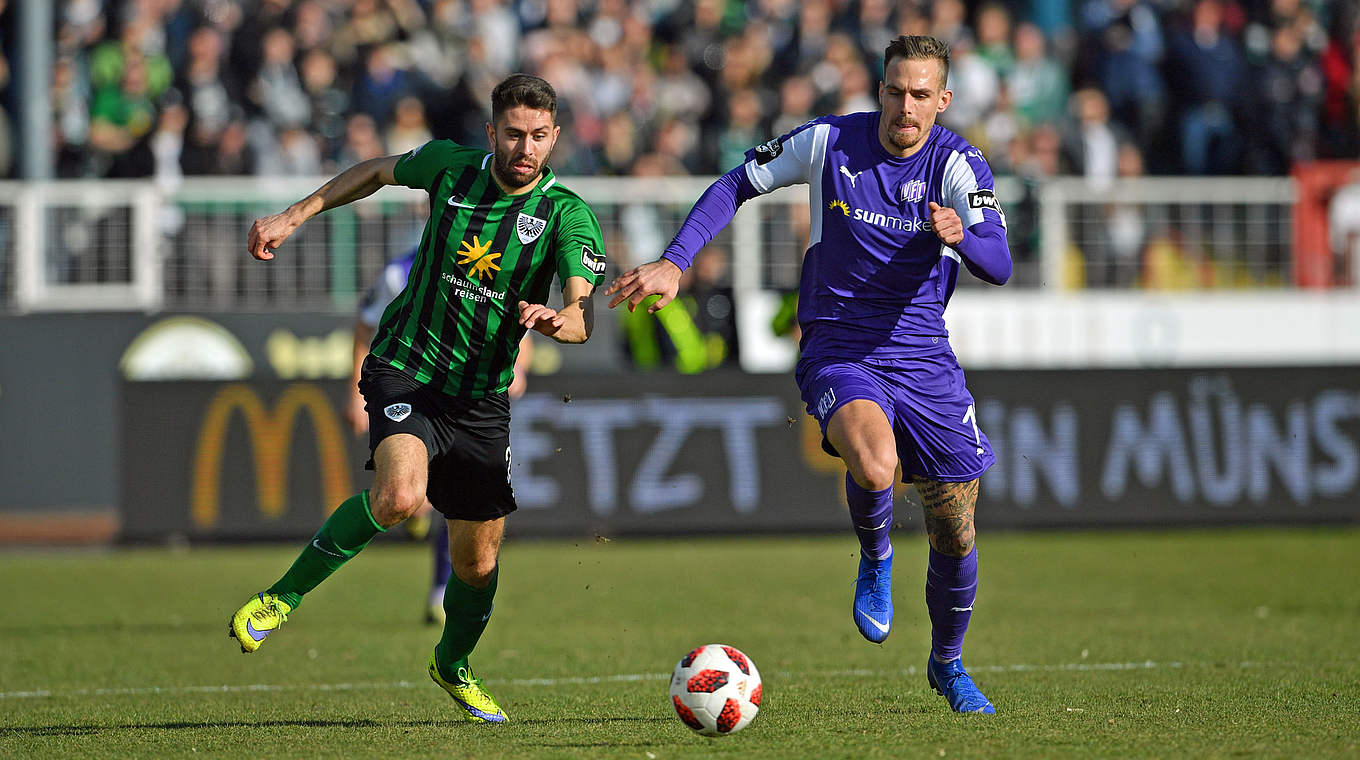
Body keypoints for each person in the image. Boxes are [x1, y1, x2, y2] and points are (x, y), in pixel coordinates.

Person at [607, 35, 1011, 714]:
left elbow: (998, 262)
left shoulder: (959, 166)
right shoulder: (830, 142)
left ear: (943, 100)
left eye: (920, 95)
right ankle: (876, 559)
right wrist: (676, 261)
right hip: (840, 345)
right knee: (876, 465)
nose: (904, 107)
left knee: (956, 528)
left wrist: (961, 235)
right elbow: (737, 182)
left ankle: (948, 664)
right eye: (893, 90)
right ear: (878, 89)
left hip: (923, 357)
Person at [230, 74, 606, 724]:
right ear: (492, 133)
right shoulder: (450, 169)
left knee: (477, 563)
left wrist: (558, 321)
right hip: (405, 366)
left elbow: (581, 313)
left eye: (539, 136)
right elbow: (375, 171)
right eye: (514, 133)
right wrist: (296, 214)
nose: (526, 147)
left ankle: (452, 665)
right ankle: (281, 598)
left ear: (555, 138)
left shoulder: (565, 212)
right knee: (400, 497)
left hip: (481, 401)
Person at [343, 249, 534, 626]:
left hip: (470, 396)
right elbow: (366, 328)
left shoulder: (492, 261)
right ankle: (418, 512)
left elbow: (518, 323)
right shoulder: (397, 273)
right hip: (411, 389)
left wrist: (520, 367)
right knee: (407, 492)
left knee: (460, 498)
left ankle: (439, 591)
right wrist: (354, 390)